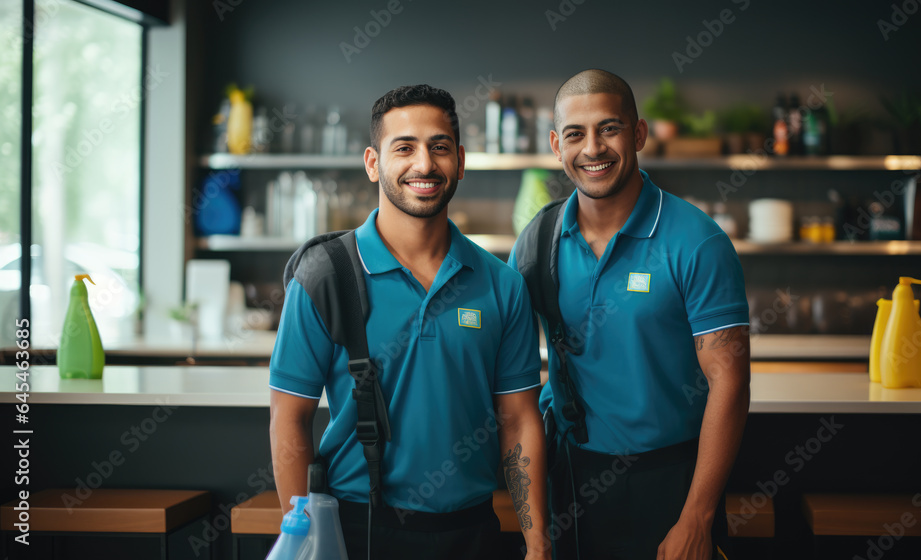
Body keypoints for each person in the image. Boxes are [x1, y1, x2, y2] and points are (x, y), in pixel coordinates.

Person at [269, 84, 550, 560]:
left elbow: (520, 420)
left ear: (459, 160)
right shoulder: (324, 275)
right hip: (359, 527)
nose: (424, 164)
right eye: (405, 147)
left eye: (439, 147)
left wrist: (538, 541)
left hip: (473, 530)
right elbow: (288, 419)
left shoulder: (502, 285)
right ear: (373, 162)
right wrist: (306, 540)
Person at [509, 69, 751, 560]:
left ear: (638, 134)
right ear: (557, 145)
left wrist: (697, 518)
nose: (593, 148)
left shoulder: (696, 241)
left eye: (610, 128)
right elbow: (503, 377)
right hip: (571, 475)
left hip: (673, 480)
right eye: (575, 134)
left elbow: (731, 382)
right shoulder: (537, 241)